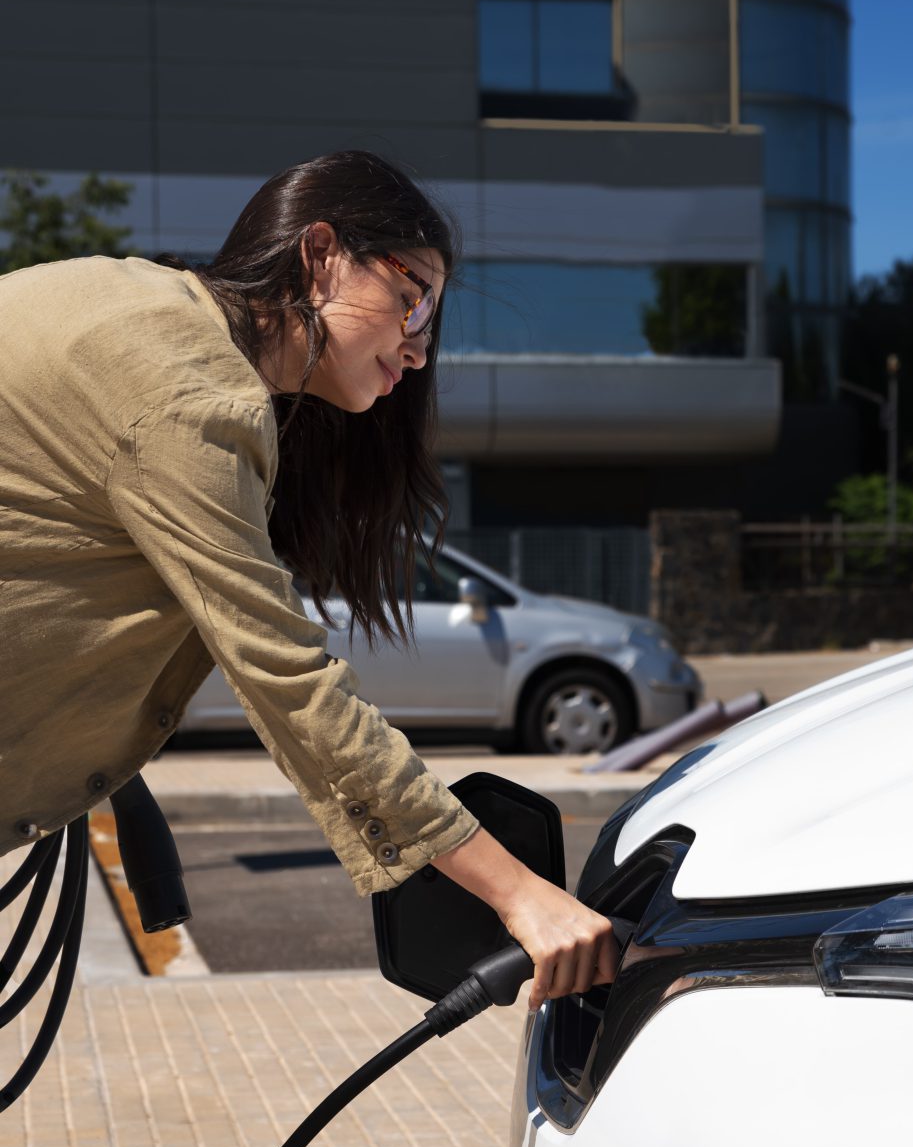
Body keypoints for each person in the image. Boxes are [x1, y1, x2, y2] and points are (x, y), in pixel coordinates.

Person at [0, 149, 617, 1012]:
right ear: (319, 254)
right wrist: (520, 895)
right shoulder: (190, 395)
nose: (420, 345)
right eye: (414, 296)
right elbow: (289, 682)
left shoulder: (135, 299)